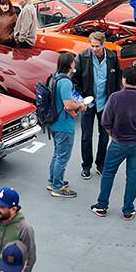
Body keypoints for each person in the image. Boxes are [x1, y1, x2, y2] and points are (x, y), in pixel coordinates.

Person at [90, 65, 136, 220]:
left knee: (108, 173)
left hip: (118, 143)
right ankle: (128, 209)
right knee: (133, 176)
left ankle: (102, 205)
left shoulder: (114, 98)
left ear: (124, 79)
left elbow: (105, 121)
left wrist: (112, 133)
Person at [72, 31, 121, 179]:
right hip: (88, 104)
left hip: (105, 104)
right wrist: (82, 100)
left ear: (103, 44)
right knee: (86, 136)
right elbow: (75, 82)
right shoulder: (82, 57)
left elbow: (117, 80)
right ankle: (86, 166)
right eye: (92, 46)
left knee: (104, 135)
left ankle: (101, 164)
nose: (94, 49)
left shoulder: (112, 58)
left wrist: (114, 101)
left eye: (97, 46)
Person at [48, 52, 87, 197]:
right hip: (64, 124)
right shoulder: (66, 82)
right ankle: (57, 187)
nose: (75, 64)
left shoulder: (55, 77)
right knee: (62, 157)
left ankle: (53, 181)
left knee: (57, 154)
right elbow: (69, 105)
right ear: (70, 64)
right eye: (74, 62)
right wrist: (81, 106)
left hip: (55, 122)